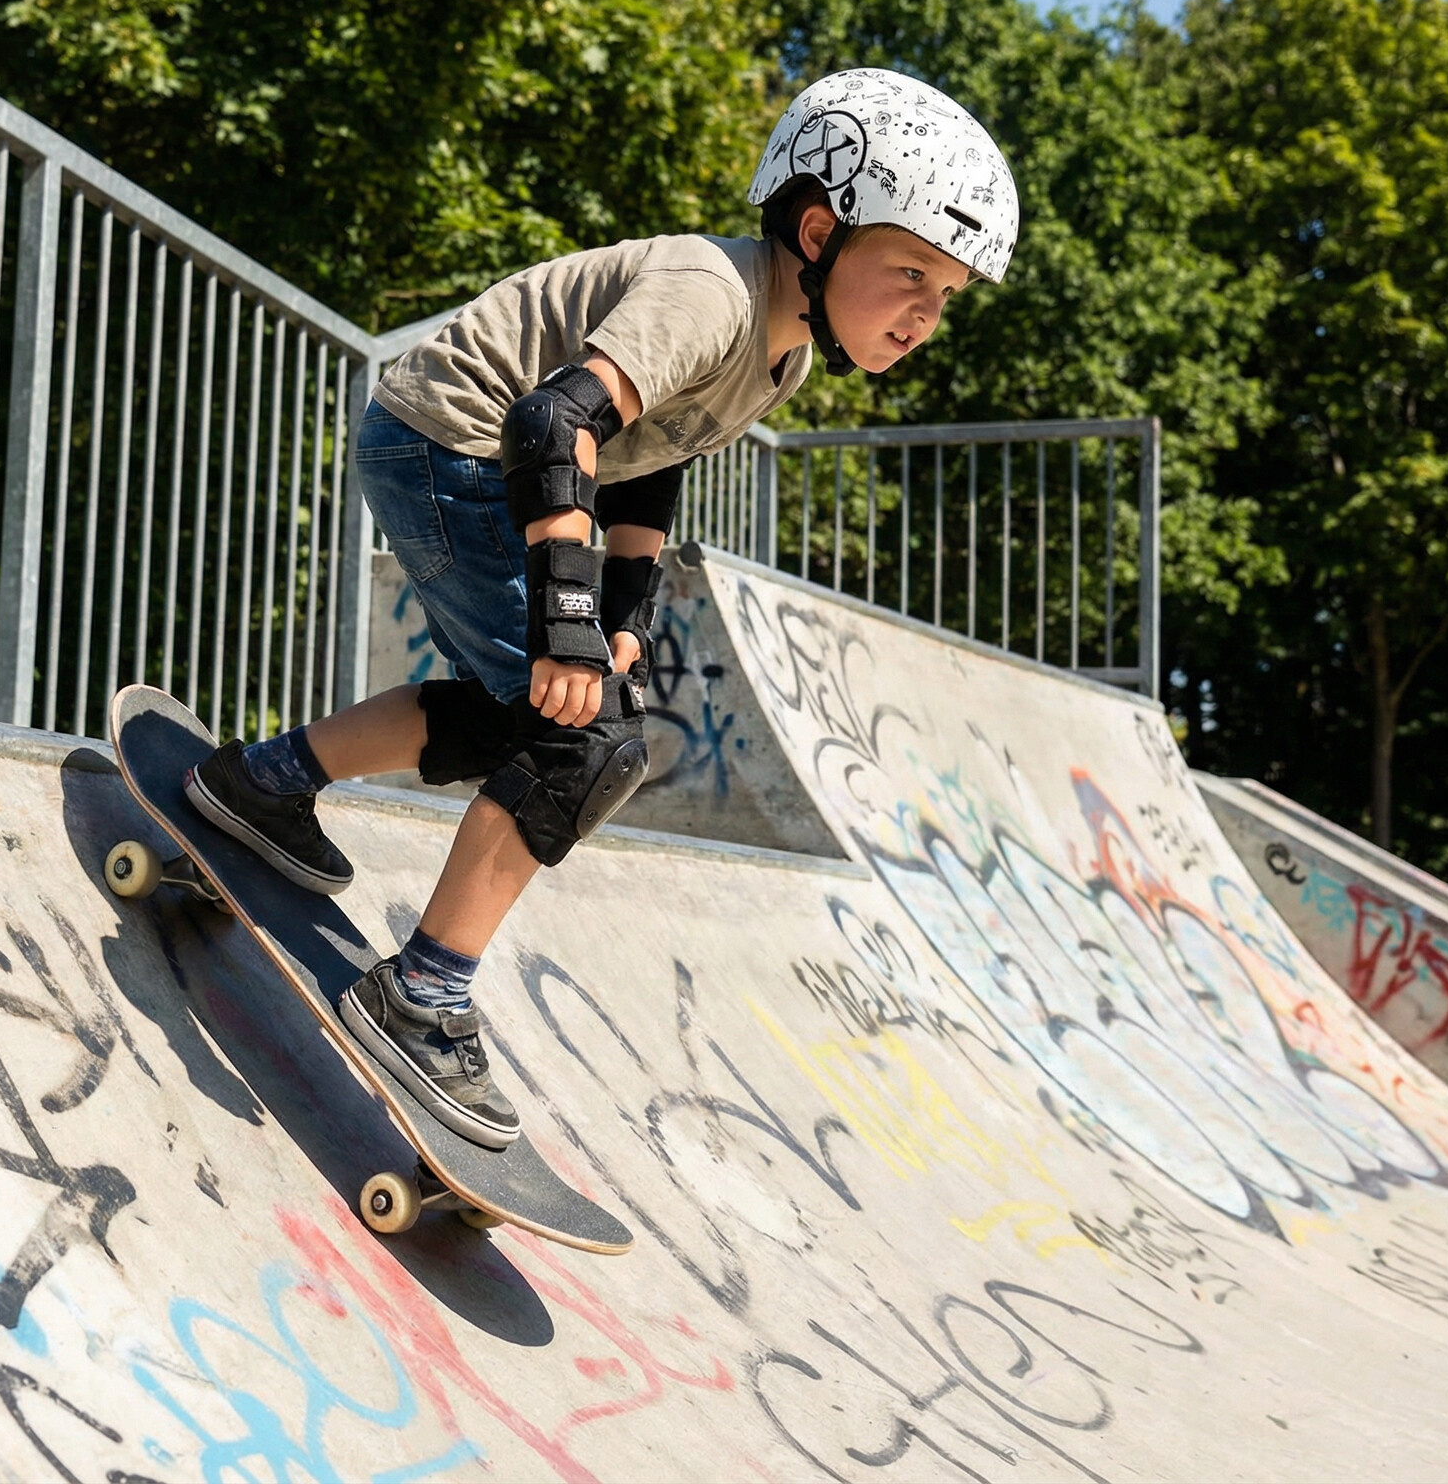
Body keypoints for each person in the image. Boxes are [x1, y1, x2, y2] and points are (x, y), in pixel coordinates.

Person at [183, 68, 1020, 1148]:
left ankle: (262, 783)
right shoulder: (711, 293)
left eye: (947, 294)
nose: (925, 316)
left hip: (481, 459)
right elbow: (552, 423)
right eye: (910, 273)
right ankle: (422, 994)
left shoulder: (784, 358)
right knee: (588, 743)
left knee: (534, 716)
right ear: (818, 232)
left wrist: (625, 608)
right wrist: (570, 623)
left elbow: (651, 461)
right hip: (451, 444)